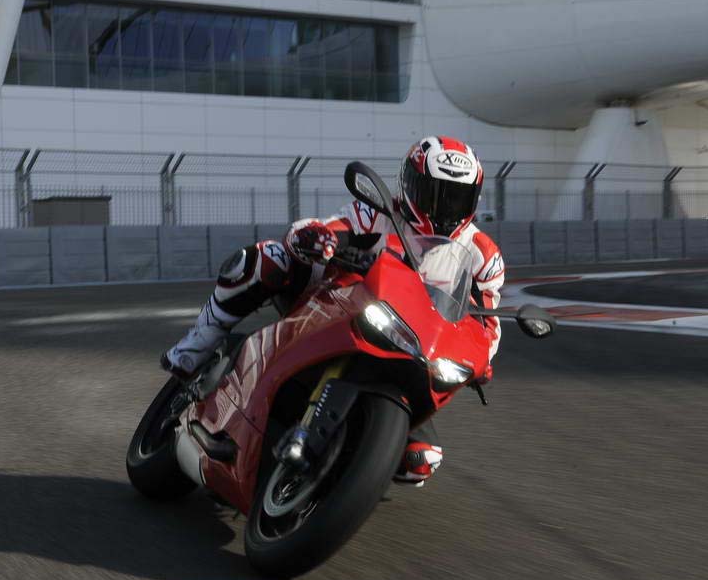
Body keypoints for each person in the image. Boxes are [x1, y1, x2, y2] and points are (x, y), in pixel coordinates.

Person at [162, 136, 506, 485]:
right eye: (434, 193)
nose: (444, 206)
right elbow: (330, 228)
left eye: (457, 197)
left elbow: (488, 325)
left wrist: (480, 360)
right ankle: (197, 346)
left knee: (419, 461)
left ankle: (339, 470)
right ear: (409, 183)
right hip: (338, 304)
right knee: (268, 260)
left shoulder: (482, 255)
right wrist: (315, 238)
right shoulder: (380, 211)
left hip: (412, 351)